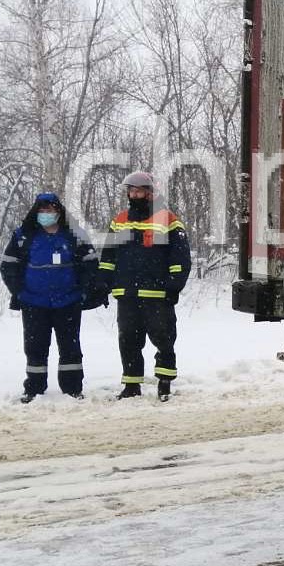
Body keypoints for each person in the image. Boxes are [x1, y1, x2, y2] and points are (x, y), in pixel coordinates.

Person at [0, 192, 105, 402]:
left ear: (59, 212)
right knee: (35, 347)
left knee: (70, 348)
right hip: (33, 302)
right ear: (35, 212)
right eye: (42, 210)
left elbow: (91, 266)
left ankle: (72, 388)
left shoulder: (75, 235)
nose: (46, 214)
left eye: (50, 210)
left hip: (68, 301)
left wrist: (83, 291)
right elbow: (8, 265)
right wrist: (19, 292)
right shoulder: (23, 235)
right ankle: (34, 388)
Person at [100, 171, 190, 401]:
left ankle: (164, 382)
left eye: (139, 191)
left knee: (164, 339)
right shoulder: (119, 220)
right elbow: (108, 257)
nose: (135, 194)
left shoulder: (168, 219)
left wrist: (173, 287)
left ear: (150, 193)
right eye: (131, 191)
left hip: (158, 294)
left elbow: (180, 259)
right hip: (127, 293)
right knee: (128, 340)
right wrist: (104, 283)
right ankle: (131, 385)